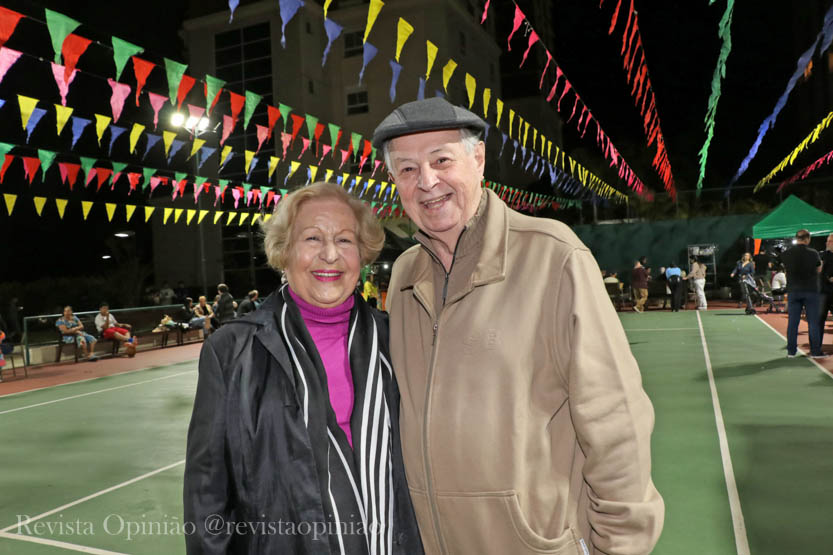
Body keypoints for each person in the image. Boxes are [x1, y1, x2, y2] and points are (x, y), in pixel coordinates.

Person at [373, 97, 663, 554]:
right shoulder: (405, 274)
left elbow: (615, 418)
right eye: (407, 169)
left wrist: (621, 545)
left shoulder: (552, 255)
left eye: (441, 160)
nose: (426, 182)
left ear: (478, 159)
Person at [184, 182, 422, 554]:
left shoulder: (399, 339)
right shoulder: (232, 350)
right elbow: (206, 494)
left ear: (362, 253)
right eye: (312, 238)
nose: (330, 254)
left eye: (344, 240)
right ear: (285, 251)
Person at [781, 229, 825, 358]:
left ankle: (791, 352)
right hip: (811, 290)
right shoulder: (813, 253)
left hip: (793, 291)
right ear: (807, 239)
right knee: (813, 323)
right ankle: (815, 351)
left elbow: (785, 269)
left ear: (796, 238)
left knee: (793, 323)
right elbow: (819, 269)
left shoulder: (786, 253)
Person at [819, 233, 833, 345]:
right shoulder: (822, 255)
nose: (827, 243)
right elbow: (818, 272)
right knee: (819, 319)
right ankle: (816, 347)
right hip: (823, 292)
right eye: (827, 241)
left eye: (829, 241)